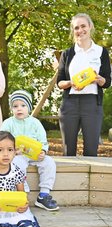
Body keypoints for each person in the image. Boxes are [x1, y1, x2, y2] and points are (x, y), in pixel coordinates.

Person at [57, 13, 111, 156]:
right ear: (73, 31)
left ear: (90, 27)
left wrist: (100, 80)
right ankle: (69, 178)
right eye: (76, 28)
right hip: (69, 104)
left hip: (92, 103)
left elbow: (107, 82)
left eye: (83, 26)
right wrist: (70, 83)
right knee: (68, 151)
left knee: (91, 150)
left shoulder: (101, 52)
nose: (80, 30)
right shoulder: (67, 53)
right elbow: (59, 82)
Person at [0, 90, 59, 211]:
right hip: (18, 155)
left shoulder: (35, 123)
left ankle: (43, 195)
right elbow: (1, 140)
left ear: (29, 108)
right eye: (15, 106)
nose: (19, 109)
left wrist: (43, 151)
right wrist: (12, 150)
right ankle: (23, 193)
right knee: (17, 164)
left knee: (49, 163)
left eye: (23, 105)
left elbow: (43, 140)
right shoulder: (8, 123)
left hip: (35, 155)